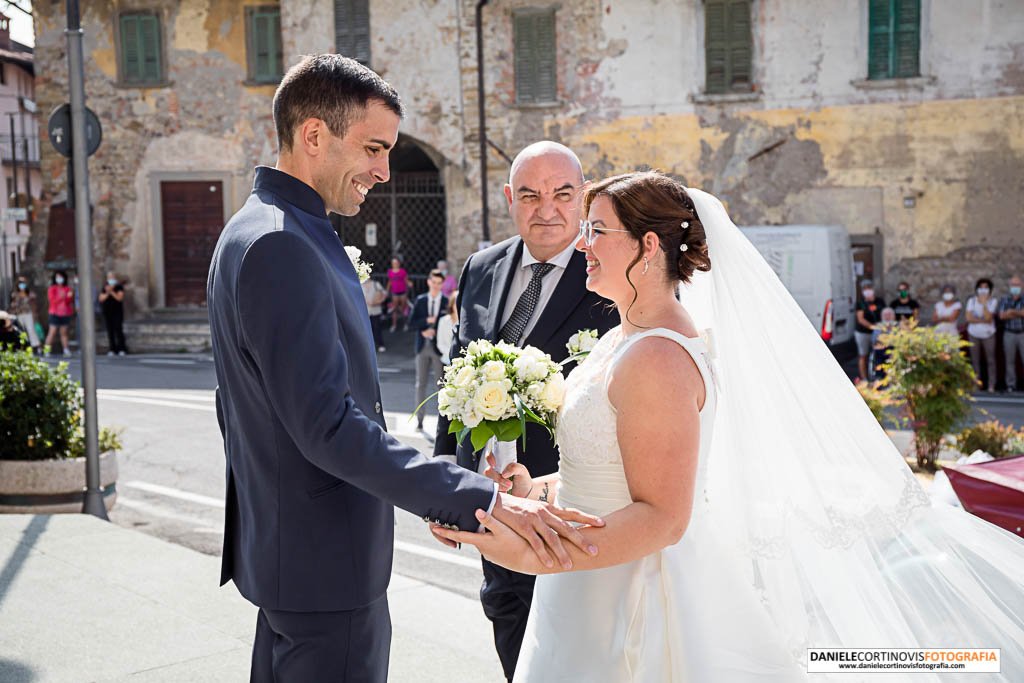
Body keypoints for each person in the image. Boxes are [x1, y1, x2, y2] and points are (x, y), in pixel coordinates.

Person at [433, 172, 1024, 681]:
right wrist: (534, 490)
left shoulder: (658, 357)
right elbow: (609, 475)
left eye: (597, 230)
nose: (581, 243)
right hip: (587, 590)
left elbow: (663, 517)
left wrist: (537, 552)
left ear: (649, 245)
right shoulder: (621, 339)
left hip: (631, 598)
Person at [205, 55, 601, 682]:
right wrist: (472, 494)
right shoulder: (284, 243)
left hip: (292, 553)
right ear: (313, 136)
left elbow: (239, 407)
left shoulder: (254, 229)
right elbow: (328, 426)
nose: (385, 171)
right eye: (373, 148)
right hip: (325, 562)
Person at [433, 140, 619, 681]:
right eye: (531, 196)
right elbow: (454, 380)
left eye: (563, 194)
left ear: (583, 197)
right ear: (511, 199)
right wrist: (447, 483)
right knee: (510, 632)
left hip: (571, 511)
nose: (548, 210)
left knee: (574, 653)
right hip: (489, 508)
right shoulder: (481, 268)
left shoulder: (610, 275)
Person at [410, 269, 447, 432]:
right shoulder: (421, 300)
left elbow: (451, 324)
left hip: (439, 349)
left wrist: (437, 330)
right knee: (420, 384)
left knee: (441, 386)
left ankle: (443, 422)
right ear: (429, 282)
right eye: (434, 282)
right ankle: (420, 420)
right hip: (422, 347)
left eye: (439, 283)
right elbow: (411, 323)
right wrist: (424, 325)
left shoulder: (447, 301)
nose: (436, 286)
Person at [966, 277, 998, 392]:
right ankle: (976, 384)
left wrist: (984, 304)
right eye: (981, 287)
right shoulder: (972, 301)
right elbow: (969, 318)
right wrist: (982, 320)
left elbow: (989, 318)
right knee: (975, 360)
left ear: (990, 290)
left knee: (990, 360)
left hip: (988, 334)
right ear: (977, 289)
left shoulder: (993, 301)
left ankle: (991, 385)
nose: (983, 290)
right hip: (973, 333)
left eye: (986, 288)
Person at [999, 274, 1024, 392]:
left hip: (1022, 333)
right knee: (1010, 361)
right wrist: (1018, 312)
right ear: (1010, 286)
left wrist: (1011, 311)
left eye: (1017, 285)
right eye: (1013, 285)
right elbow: (1002, 315)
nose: (1015, 287)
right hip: (1009, 333)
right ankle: (1011, 385)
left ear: (1022, 285)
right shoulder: (1005, 299)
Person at [854, 278, 882, 381]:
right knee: (863, 355)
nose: (867, 290)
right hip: (863, 333)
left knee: (879, 353)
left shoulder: (880, 301)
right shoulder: (860, 303)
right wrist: (873, 327)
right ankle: (864, 378)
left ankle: (879, 376)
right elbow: (861, 319)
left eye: (869, 288)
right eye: (865, 288)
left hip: (878, 332)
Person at [44, 269, 75, 357]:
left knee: (64, 332)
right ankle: (47, 350)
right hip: (54, 313)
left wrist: (69, 297)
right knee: (52, 332)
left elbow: (69, 301)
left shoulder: (67, 288)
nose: (59, 279)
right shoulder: (52, 288)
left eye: (61, 277)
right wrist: (62, 297)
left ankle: (66, 350)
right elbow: (52, 301)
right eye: (57, 277)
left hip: (65, 313)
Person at [8, 274, 41, 353]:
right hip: (18, 314)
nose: (22, 285)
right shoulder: (14, 294)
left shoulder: (30, 294)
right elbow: (12, 305)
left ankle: (36, 346)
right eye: (20, 283)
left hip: (28, 314)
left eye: (23, 283)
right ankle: (22, 346)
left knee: (31, 329)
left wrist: (35, 315)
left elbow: (34, 304)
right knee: (20, 331)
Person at [98, 271, 128, 356]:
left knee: (118, 329)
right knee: (110, 330)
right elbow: (101, 298)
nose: (110, 279)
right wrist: (108, 292)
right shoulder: (105, 287)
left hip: (117, 312)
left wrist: (112, 292)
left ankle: (122, 348)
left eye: (112, 277)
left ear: (115, 278)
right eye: (109, 277)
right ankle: (112, 349)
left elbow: (119, 298)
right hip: (107, 311)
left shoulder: (119, 287)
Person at [361, 274, 387, 352]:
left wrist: (379, 301)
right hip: (365, 311)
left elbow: (385, 294)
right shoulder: (359, 284)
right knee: (366, 329)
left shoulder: (376, 284)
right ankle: (368, 346)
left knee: (377, 328)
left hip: (376, 310)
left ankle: (380, 344)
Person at [870, 307, 898, 380]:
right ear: (882, 316)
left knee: (892, 353)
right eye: (885, 315)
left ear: (893, 316)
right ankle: (880, 376)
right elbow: (874, 339)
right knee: (878, 353)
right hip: (881, 348)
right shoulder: (879, 326)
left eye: (889, 315)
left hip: (894, 347)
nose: (887, 317)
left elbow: (900, 338)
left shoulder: (898, 325)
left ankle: (891, 376)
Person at [386, 256, 411, 332]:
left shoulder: (402, 271)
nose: (395, 264)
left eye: (396, 263)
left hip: (403, 292)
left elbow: (406, 280)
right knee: (394, 309)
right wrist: (386, 291)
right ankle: (394, 325)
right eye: (393, 263)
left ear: (399, 263)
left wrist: (409, 284)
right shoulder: (390, 271)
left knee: (403, 309)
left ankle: (405, 324)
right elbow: (390, 281)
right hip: (394, 293)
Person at [435, 289, 458, 365]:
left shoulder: (466, 322)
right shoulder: (443, 321)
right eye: (456, 303)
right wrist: (453, 354)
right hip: (446, 360)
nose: (458, 305)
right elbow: (440, 343)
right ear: (452, 304)